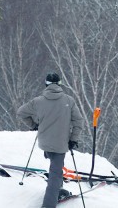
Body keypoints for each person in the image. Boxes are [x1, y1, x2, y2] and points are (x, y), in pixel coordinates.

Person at [17, 73, 84, 208]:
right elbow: (79, 121)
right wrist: (73, 139)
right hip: (61, 143)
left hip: (44, 142)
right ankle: (49, 204)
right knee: (55, 173)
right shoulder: (68, 100)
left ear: (46, 84)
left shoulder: (38, 101)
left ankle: (58, 189)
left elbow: (21, 112)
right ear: (60, 84)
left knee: (55, 167)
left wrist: (34, 125)